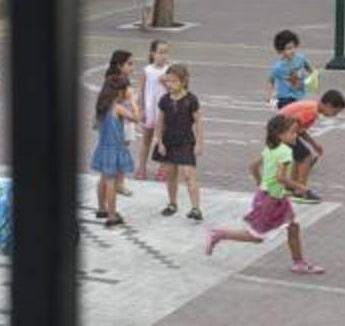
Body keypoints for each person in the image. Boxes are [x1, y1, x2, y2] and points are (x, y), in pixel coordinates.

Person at [206, 115, 324, 275]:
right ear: (279, 135)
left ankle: (299, 263)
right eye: (292, 132)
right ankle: (219, 234)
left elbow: (253, 167)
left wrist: (261, 185)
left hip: (274, 197)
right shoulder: (285, 152)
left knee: (293, 227)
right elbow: (281, 178)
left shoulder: (270, 148)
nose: (295, 136)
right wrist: (300, 188)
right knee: (257, 237)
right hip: (271, 200)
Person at [153, 64, 204, 221]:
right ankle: (172, 203)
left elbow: (199, 122)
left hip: (186, 141)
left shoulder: (191, 99)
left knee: (189, 174)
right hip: (168, 141)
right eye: (168, 81)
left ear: (183, 81)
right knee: (170, 174)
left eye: (174, 81)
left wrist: (199, 143)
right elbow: (159, 122)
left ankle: (196, 208)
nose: (170, 84)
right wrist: (159, 141)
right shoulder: (164, 100)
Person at [279, 90, 345, 204]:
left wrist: (314, 144)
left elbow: (300, 130)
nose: (335, 115)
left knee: (300, 157)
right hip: (282, 131)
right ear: (328, 105)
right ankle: (301, 191)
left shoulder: (313, 108)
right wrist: (289, 139)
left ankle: (291, 187)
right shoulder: (312, 111)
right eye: (335, 112)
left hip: (281, 130)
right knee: (306, 157)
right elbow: (295, 124)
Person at [91, 75, 139, 228]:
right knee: (111, 183)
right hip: (114, 148)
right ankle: (112, 216)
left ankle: (101, 209)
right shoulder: (117, 108)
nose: (127, 92)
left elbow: (95, 126)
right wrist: (132, 101)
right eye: (126, 90)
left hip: (103, 147)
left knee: (103, 178)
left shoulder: (101, 107)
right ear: (119, 92)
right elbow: (136, 118)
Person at [136, 40, 170, 181]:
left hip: (163, 111)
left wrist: (165, 83)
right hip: (150, 110)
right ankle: (142, 168)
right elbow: (142, 90)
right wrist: (141, 109)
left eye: (166, 52)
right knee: (146, 140)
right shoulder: (147, 70)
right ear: (153, 53)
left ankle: (162, 169)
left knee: (162, 141)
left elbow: (174, 90)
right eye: (160, 52)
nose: (163, 56)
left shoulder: (169, 70)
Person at [103, 50, 136, 198]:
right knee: (117, 151)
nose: (132, 67)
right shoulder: (114, 80)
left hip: (127, 118)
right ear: (119, 65)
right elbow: (112, 102)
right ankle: (113, 182)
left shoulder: (125, 79)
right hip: (119, 120)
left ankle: (119, 183)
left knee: (124, 148)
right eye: (129, 64)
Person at [266, 30, 313, 110]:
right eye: (288, 49)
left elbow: (310, 69)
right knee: (289, 119)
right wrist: (269, 97)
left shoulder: (301, 59)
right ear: (281, 51)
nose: (292, 51)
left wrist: (312, 78)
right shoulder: (278, 67)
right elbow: (270, 80)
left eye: (293, 47)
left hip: (300, 95)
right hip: (285, 98)